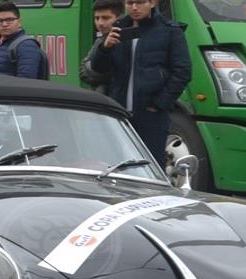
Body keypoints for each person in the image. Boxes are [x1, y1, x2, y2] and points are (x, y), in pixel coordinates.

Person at [91, 0, 191, 164]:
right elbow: (99, 69)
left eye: (140, 2)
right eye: (130, 3)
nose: (134, 7)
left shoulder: (170, 31)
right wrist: (105, 48)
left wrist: (158, 104)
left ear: (152, 3)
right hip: (119, 113)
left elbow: (183, 72)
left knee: (150, 165)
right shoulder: (118, 27)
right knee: (117, 164)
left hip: (151, 115)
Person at [0, 1, 43, 78]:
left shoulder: (26, 46)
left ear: (19, 21)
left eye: (9, 20)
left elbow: (26, 81)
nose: (4, 24)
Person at [80, 0, 125, 94]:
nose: (100, 23)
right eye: (97, 18)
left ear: (120, 18)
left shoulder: (123, 41)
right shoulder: (100, 40)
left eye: (105, 18)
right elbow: (82, 71)